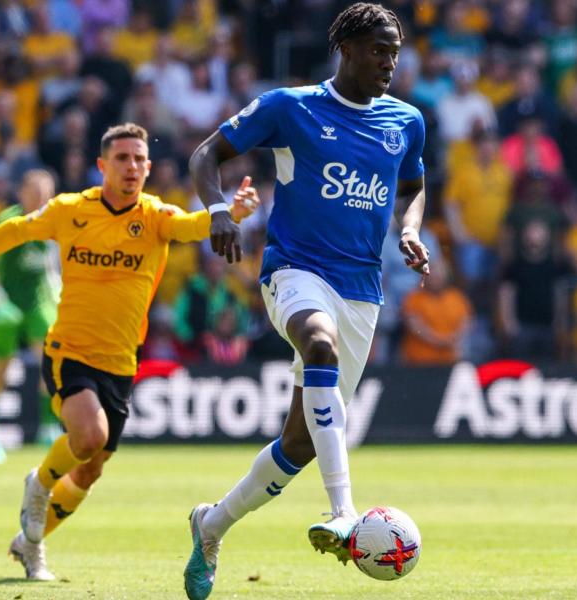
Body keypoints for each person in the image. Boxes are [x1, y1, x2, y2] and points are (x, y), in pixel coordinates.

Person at [0, 123, 258, 580]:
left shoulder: (155, 216)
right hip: (70, 350)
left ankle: (31, 543)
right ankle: (40, 482)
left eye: (139, 159)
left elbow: (196, 224)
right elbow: (15, 230)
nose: (132, 167)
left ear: (149, 167)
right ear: (102, 165)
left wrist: (234, 210)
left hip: (121, 361)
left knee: (89, 472)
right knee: (87, 438)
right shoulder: (71, 210)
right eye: (122, 158)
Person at [184, 4, 429, 598]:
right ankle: (344, 512)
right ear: (344, 49)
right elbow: (205, 155)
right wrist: (218, 210)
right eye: (378, 50)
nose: (389, 63)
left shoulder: (406, 121)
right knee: (316, 341)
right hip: (295, 271)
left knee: (298, 443)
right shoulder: (290, 108)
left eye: (394, 52)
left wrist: (410, 228)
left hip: (362, 291)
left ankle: (211, 525)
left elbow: (415, 185)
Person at [0, 169, 63, 464]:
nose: (40, 198)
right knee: (3, 370)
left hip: (38, 302)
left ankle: (48, 427)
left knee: (51, 362)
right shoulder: (7, 221)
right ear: (22, 193)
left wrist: (61, 292)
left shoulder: (55, 221)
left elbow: (55, 264)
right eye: (35, 192)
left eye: (45, 192)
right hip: (7, 302)